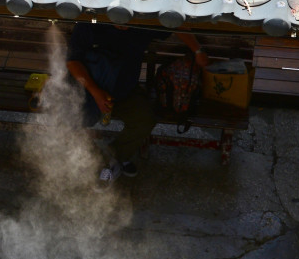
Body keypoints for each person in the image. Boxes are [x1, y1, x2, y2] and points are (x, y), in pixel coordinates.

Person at [66, 22, 208, 184]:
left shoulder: (142, 23)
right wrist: (96, 92)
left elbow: (176, 22)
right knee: (71, 119)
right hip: (90, 90)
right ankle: (97, 159)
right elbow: (73, 62)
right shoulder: (91, 23)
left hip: (124, 92)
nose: (122, 24)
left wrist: (198, 50)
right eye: (118, 19)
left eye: (127, 18)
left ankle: (114, 157)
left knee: (145, 119)